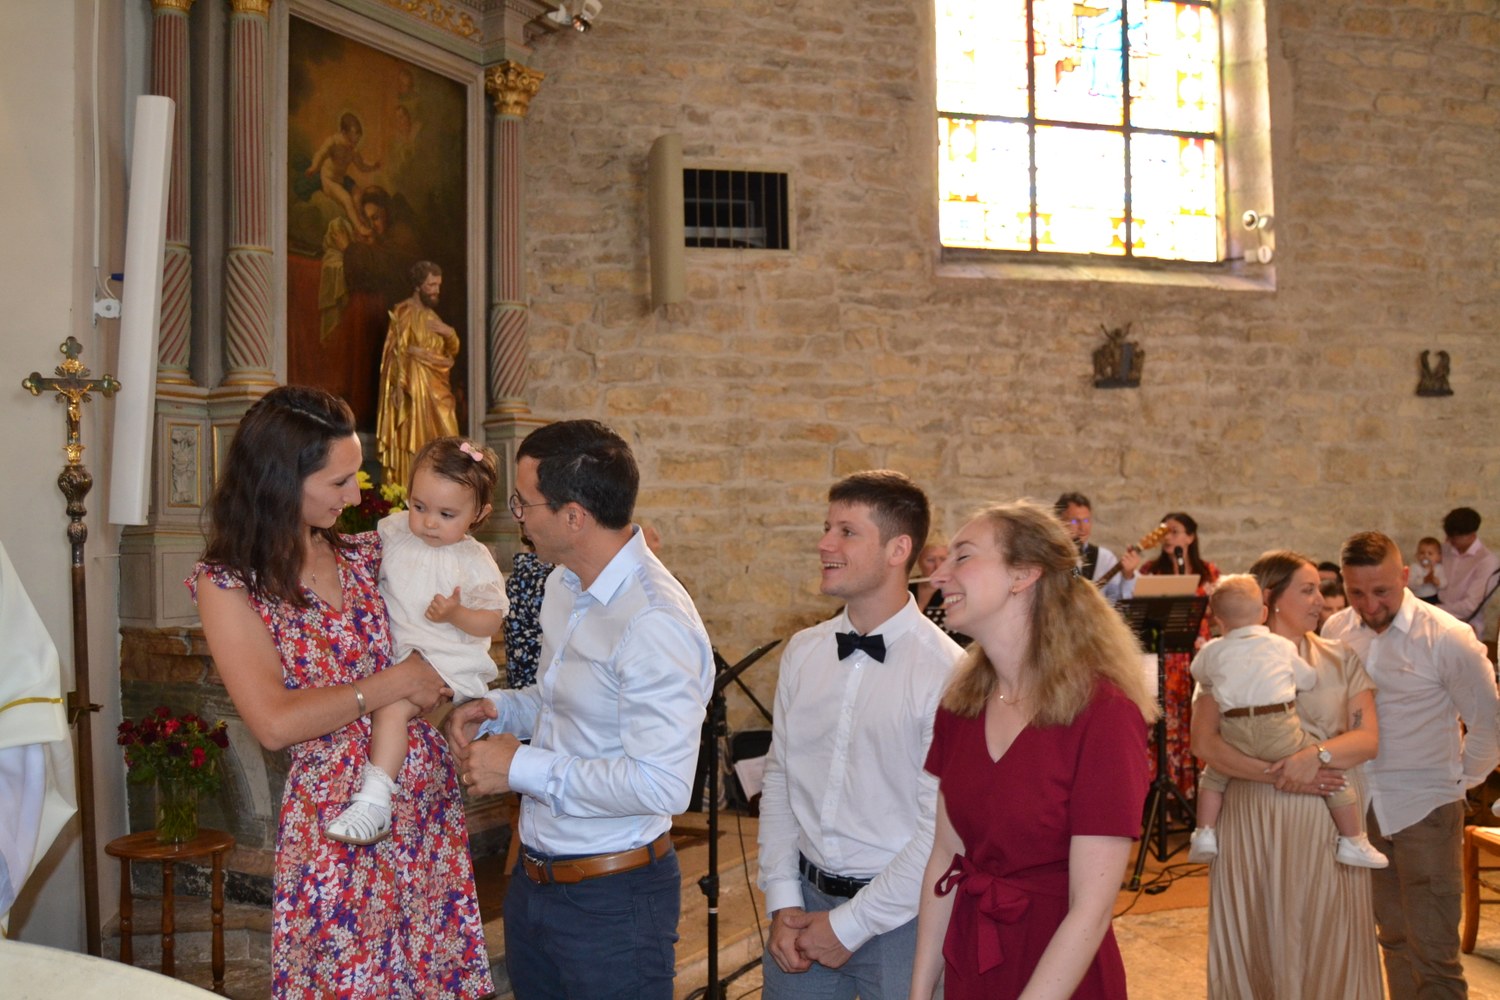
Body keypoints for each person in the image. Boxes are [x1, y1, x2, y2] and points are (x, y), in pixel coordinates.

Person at [188, 385, 491, 999]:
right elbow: (273, 722)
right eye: (339, 481)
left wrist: (456, 708)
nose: (355, 496)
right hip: (337, 824)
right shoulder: (228, 584)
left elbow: (447, 640)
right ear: (280, 480)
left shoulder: (369, 552)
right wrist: (394, 683)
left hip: (424, 811)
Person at [443, 419, 714, 999]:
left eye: (524, 502)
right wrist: (498, 708)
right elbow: (562, 702)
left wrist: (518, 768)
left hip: (614, 899)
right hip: (536, 882)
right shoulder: (564, 584)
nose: (517, 515)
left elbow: (662, 783)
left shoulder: (654, 621)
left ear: (574, 516)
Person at [910, 500, 1154, 999]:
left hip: (1060, 970)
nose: (939, 575)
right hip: (974, 959)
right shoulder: (960, 705)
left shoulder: (1105, 712)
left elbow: (1091, 907)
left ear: (1023, 575)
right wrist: (919, 990)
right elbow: (946, 857)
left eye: (963, 556)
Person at [757, 471, 963, 999]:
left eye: (847, 532)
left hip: (903, 918)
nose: (825, 544)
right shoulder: (803, 651)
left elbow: (941, 830)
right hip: (801, 910)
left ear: (899, 549)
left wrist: (850, 925)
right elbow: (780, 781)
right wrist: (782, 898)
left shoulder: (947, 672)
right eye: (827, 528)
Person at [1193, 549, 1383, 998]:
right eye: (1308, 589)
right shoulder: (1224, 657)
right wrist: (1280, 773)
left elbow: (1367, 740)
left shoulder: (1339, 658)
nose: (1320, 599)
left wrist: (1314, 756)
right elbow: (1205, 744)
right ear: (1270, 599)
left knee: (1329, 938)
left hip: (1331, 825)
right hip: (1252, 817)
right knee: (1260, 936)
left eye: (1320, 589)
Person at [1325, 531, 1500, 998]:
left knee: (1435, 955)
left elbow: (1488, 722)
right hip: (1362, 807)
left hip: (1426, 807)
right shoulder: (1336, 631)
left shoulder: (1447, 637)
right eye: (1357, 592)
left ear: (1405, 576)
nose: (1370, 605)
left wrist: (1460, 782)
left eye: (1381, 591)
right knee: (1394, 940)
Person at [325, 436, 507, 845]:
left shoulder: (473, 560)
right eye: (419, 506)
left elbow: (491, 620)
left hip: (444, 660)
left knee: (391, 708)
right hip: (400, 655)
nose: (428, 522)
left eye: (446, 514)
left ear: (479, 514)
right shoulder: (395, 531)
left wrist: (456, 614)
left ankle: (375, 801)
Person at [1186, 574, 1387, 868]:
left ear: (1218, 620)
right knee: (1334, 780)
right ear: (1266, 607)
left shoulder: (1213, 650)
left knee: (1212, 777)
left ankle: (1204, 833)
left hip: (1236, 729)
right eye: (1308, 590)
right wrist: (1305, 764)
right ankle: (1353, 840)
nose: (1319, 599)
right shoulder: (1279, 647)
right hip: (1275, 731)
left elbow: (1198, 672)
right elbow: (1306, 679)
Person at [1138, 510, 1219, 802]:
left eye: (1174, 531)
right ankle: (1161, 796)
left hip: (1195, 655)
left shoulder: (1209, 572)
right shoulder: (1150, 571)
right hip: (1161, 656)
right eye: (1164, 531)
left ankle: (1191, 793)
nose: (1167, 537)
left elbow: (1216, 614)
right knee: (1160, 720)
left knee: (1194, 718)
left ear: (1190, 537)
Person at [376, 260, 460, 487]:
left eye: (438, 285)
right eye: (431, 285)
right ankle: (411, 487)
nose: (436, 290)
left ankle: (442, 488)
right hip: (414, 386)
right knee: (413, 437)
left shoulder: (434, 318)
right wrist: (398, 385)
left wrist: (450, 334)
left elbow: (450, 351)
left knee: (448, 436)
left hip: (437, 386)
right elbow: (396, 353)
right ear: (418, 286)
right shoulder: (404, 312)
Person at [1054, 491, 1140, 603]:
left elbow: (1117, 602)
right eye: (1075, 521)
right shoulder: (1051, 557)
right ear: (1059, 522)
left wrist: (1127, 577)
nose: (1082, 527)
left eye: (1086, 520)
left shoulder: (1105, 558)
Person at [305, 112, 382, 237]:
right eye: (352, 137)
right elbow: (320, 154)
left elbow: (362, 166)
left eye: (357, 138)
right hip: (329, 180)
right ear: (343, 133)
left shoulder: (352, 150)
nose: (354, 142)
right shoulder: (333, 142)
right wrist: (314, 167)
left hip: (341, 179)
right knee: (346, 198)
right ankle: (360, 228)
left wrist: (374, 166)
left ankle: (360, 218)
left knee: (358, 193)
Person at [1437, 507, 1500, 637]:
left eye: (1454, 537)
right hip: (1437, 620)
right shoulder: (1445, 550)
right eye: (1448, 536)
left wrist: (1432, 609)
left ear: (1471, 534)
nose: (1449, 541)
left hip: (1466, 625)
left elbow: (1471, 606)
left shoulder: (1487, 561)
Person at [910, 535, 968, 643]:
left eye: (943, 559)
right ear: (919, 561)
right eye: (930, 560)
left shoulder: (956, 591)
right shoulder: (906, 587)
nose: (937, 566)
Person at [1411, 536, 1447, 604]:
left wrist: (1437, 581)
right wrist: (1424, 580)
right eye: (1422, 553)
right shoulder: (1415, 567)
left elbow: (1444, 584)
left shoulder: (1439, 568)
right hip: (1417, 598)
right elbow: (1410, 584)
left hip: (1434, 597)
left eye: (1430, 554)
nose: (1426, 556)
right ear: (1417, 555)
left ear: (1438, 557)